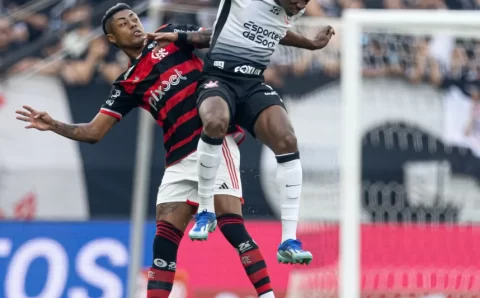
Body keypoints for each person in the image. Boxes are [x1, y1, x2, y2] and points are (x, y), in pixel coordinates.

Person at [15, 3, 279, 298]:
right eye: (124, 24)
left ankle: (267, 295)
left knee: (231, 226)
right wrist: (54, 125)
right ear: (112, 39)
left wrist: (180, 37)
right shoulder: (128, 83)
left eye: (134, 19)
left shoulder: (169, 36)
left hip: (214, 143)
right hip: (177, 160)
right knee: (163, 246)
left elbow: (214, 36)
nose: (133, 25)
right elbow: (93, 132)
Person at [156, 0, 334, 265]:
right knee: (215, 121)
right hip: (218, 79)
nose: (301, 5)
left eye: (305, 1)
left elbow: (274, 28)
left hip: (252, 84)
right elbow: (218, 28)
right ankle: (205, 212)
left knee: (287, 140)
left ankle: (288, 240)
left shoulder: (294, 8)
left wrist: (310, 43)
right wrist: (180, 35)